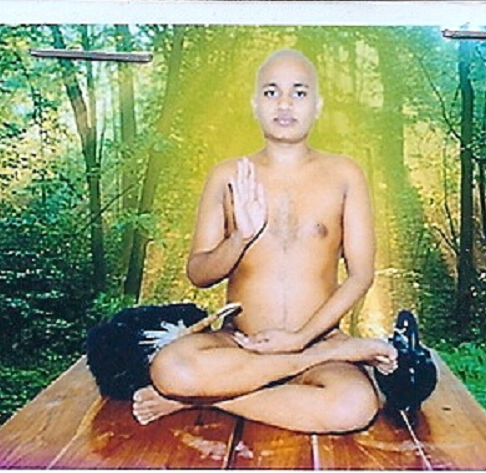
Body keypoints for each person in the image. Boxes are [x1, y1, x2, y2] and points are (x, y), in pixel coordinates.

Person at [132, 49, 401, 434]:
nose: (285, 103)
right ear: (255, 105)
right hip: (242, 345)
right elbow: (199, 273)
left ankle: (204, 397)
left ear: (317, 106)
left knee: (353, 406)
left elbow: (361, 275)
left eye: (299, 92)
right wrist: (239, 238)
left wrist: (301, 340)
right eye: (272, 92)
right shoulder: (227, 175)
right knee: (169, 368)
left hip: (319, 345)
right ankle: (221, 387)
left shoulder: (345, 174)